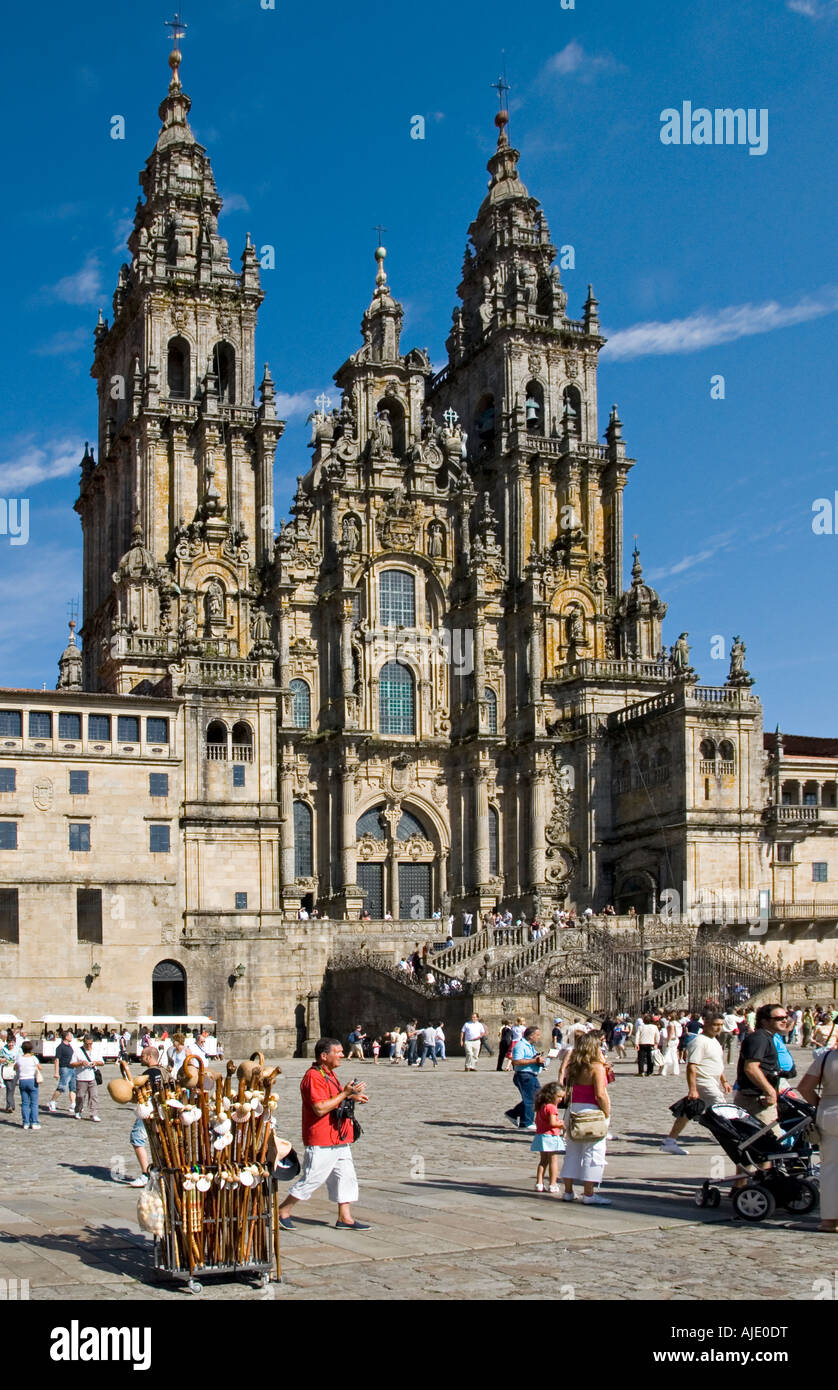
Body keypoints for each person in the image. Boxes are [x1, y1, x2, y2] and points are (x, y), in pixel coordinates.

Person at [276, 1037, 371, 1231]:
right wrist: (344, 1094)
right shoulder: (313, 1076)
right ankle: (283, 1210)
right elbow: (319, 1108)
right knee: (312, 1178)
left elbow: (332, 1098)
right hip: (321, 1138)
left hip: (338, 1137)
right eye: (338, 1052)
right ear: (324, 1056)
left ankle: (345, 1218)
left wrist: (352, 1095)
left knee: (346, 1177)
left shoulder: (328, 1074)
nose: (342, 1055)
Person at [661, 1013, 731, 1155]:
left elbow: (717, 1063)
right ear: (706, 1024)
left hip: (712, 1080)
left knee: (689, 1111)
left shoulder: (715, 1041)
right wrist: (692, 1089)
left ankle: (670, 1141)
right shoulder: (699, 1041)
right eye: (715, 1025)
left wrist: (724, 1080)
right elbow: (691, 1066)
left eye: (720, 1025)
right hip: (703, 1081)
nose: (718, 1028)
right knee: (720, 1106)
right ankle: (724, 1135)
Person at [560, 1032, 611, 1205]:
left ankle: (568, 1191)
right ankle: (589, 1194)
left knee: (572, 1151)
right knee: (594, 1151)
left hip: (573, 1109)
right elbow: (600, 1094)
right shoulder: (596, 1067)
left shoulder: (574, 1066)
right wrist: (607, 1112)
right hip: (591, 1111)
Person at [734, 1003, 789, 1138]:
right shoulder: (759, 1038)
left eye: (785, 1017)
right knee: (768, 1144)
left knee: (767, 1145)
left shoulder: (767, 1037)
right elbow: (751, 1068)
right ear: (765, 1021)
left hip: (761, 1097)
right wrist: (769, 1091)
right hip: (756, 1100)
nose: (784, 1020)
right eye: (778, 1018)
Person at [800, 1044, 838, 1232]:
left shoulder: (826, 1058)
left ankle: (829, 1221)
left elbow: (805, 1088)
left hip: (829, 1111)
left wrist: (821, 1104)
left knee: (830, 1168)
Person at [128, 1046, 165, 1186]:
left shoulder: (147, 1074)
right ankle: (159, 1171)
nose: (140, 1057)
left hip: (149, 1109)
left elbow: (140, 1094)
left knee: (136, 1137)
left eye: (143, 1055)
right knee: (158, 1140)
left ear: (150, 1057)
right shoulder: (164, 1071)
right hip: (163, 1109)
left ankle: (145, 1174)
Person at [505, 1026, 546, 1131]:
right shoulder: (520, 1046)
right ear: (531, 1036)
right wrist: (534, 1061)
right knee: (530, 1099)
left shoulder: (530, 1046)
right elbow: (516, 1061)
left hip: (532, 1074)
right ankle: (526, 1122)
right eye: (537, 1035)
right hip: (524, 1075)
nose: (539, 1037)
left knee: (539, 1097)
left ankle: (513, 1113)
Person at [531, 1081, 566, 1193]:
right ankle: (552, 1184)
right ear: (552, 1095)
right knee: (553, 1161)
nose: (561, 1099)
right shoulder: (552, 1107)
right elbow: (552, 1123)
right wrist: (562, 1124)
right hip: (551, 1136)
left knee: (543, 1161)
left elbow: (537, 1121)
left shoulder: (541, 1106)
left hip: (541, 1135)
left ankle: (539, 1183)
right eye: (559, 1097)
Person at [48, 1029, 78, 1113]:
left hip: (72, 1068)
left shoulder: (70, 1046)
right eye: (70, 1035)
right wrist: (56, 1072)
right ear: (66, 1037)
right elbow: (56, 1060)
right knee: (62, 1087)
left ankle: (73, 1104)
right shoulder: (60, 1047)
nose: (72, 1037)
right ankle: (52, 1101)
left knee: (73, 1087)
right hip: (64, 1068)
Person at [73, 1033, 101, 1121]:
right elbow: (72, 1063)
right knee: (80, 1096)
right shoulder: (78, 1051)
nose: (89, 1045)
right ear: (84, 1042)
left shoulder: (96, 1051)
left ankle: (94, 1114)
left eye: (90, 1044)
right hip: (81, 1077)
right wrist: (81, 1063)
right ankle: (78, 1110)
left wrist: (95, 1062)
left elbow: (102, 1062)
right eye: (87, 1044)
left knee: (94, 1096)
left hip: (92, 1077)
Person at [16, 1041, 42, 1130]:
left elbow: (15, 1067)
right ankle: (34, 1122)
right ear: (31, 1049)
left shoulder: (19, 1058)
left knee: (25, 1103)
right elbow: (40, 1067)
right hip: (32, 1080)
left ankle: (25, 1122)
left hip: (22, 1080)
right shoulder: (33, 1058)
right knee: (34, 1103)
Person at [1, 1030, 19, 1114]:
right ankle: (10, 1105)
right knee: (9, 1087)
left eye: (12, 1043)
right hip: (6, 1069)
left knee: (12, 1087)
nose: (10, 1044)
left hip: (15, 1070)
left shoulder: (18, 1049)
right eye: (9, 1043)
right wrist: (3, 1060)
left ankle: (10, 1105)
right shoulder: (3, 1049)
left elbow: (21, 1059)